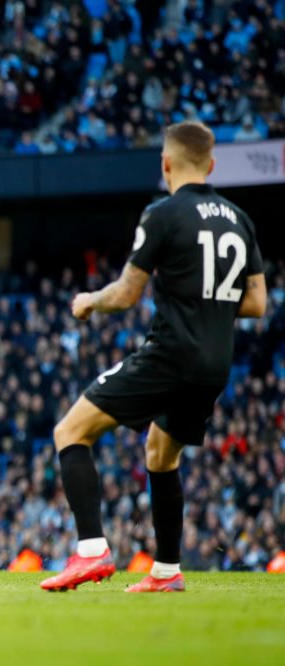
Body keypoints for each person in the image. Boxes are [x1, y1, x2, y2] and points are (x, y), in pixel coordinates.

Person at [40, 121, 266, 593]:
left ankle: (91, 551)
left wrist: (88, 301)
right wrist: (206, 301)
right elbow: (256, 303)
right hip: (214, 362)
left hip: (171, 353)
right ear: (212, 164)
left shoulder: (162, 213)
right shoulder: (238, 219)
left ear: (166, 163)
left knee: (70, 431)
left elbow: (125, 294)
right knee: (161, 456)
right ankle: (166, 571)